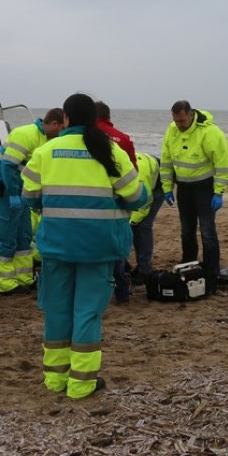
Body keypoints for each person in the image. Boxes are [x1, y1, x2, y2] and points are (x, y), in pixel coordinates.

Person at [21, 93, 147, 399]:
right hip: (99, 247)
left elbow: (29, 198)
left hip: (57, 246)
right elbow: (138, 198)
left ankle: (55, 380)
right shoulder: (112, 151)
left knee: (56, 312)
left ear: (64, 119)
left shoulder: (46, 151)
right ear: (94, 119)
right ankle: (81, 384)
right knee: (88, 313)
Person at [0, 108, 64, 294]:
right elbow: (8, 166)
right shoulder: (25, 134)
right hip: (5, 190)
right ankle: (6, 284)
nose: (63, 132)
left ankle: (24, 278)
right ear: (54, 123)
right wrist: (13, 194)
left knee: (24, 237)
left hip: (22, 192)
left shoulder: (49, 139)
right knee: (7, 237)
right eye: (62, 127)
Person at [160, 100, 228, 284]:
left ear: (191, 114)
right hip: (184, 188)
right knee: (186, 231)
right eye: (176, 121)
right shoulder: (172, 130)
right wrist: (167, 188)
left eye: (182, 121)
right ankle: (189, 265)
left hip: (204, 188)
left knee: (207, 232)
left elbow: (222, 163)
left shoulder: (210, 132)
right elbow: (166, 161)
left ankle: (212, 271)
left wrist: (219, 192)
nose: (179, 125)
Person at [95, 101, 138, 304]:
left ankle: (101, 291)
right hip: (117, 203)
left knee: (95, 250)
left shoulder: (85, 137)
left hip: (92, 203)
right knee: (117, 250)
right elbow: (133, 174)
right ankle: (121, 293)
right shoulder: (123, 138)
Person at [129, 151, 164, 281]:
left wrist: (130, 222)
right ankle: (131, 266)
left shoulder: (139, 176)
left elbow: (145, 203)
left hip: (158, 184)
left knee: (143, 225)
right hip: (148, 170)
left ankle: (145, 270)